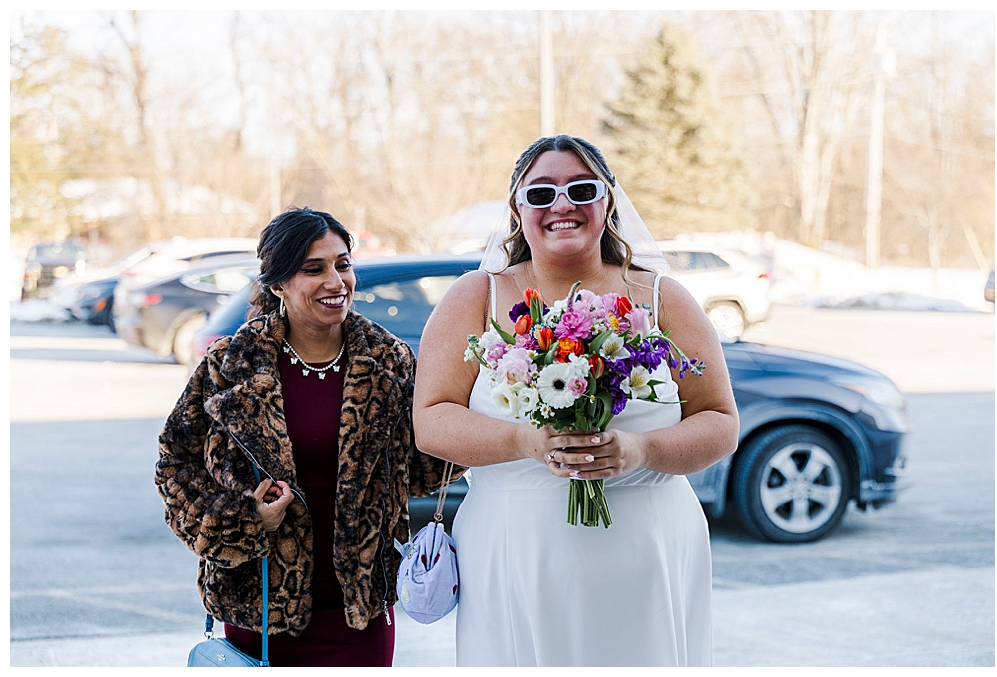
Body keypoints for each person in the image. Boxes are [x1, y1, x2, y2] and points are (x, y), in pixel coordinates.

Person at [412, 134, 738, 666]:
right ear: (518, 211)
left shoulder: (661, 299)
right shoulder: (475, 297)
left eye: (580, 189)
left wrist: (640, 451)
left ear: (607, 202)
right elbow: (431, 420)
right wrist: (524, 438)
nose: (561, 205)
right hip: (516, 552)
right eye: (540, 194)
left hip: (646, 551)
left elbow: (720, 420)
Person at [157, 207, 463, 666]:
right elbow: (175, 465)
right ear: (278, 282)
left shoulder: (389, 362)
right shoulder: (232, 364)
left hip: (358, 613)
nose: (336, 282)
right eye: (313, 269)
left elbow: (425, 465)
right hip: (259, 611)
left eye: (343, 264)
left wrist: (481, 398)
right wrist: (244, 519)